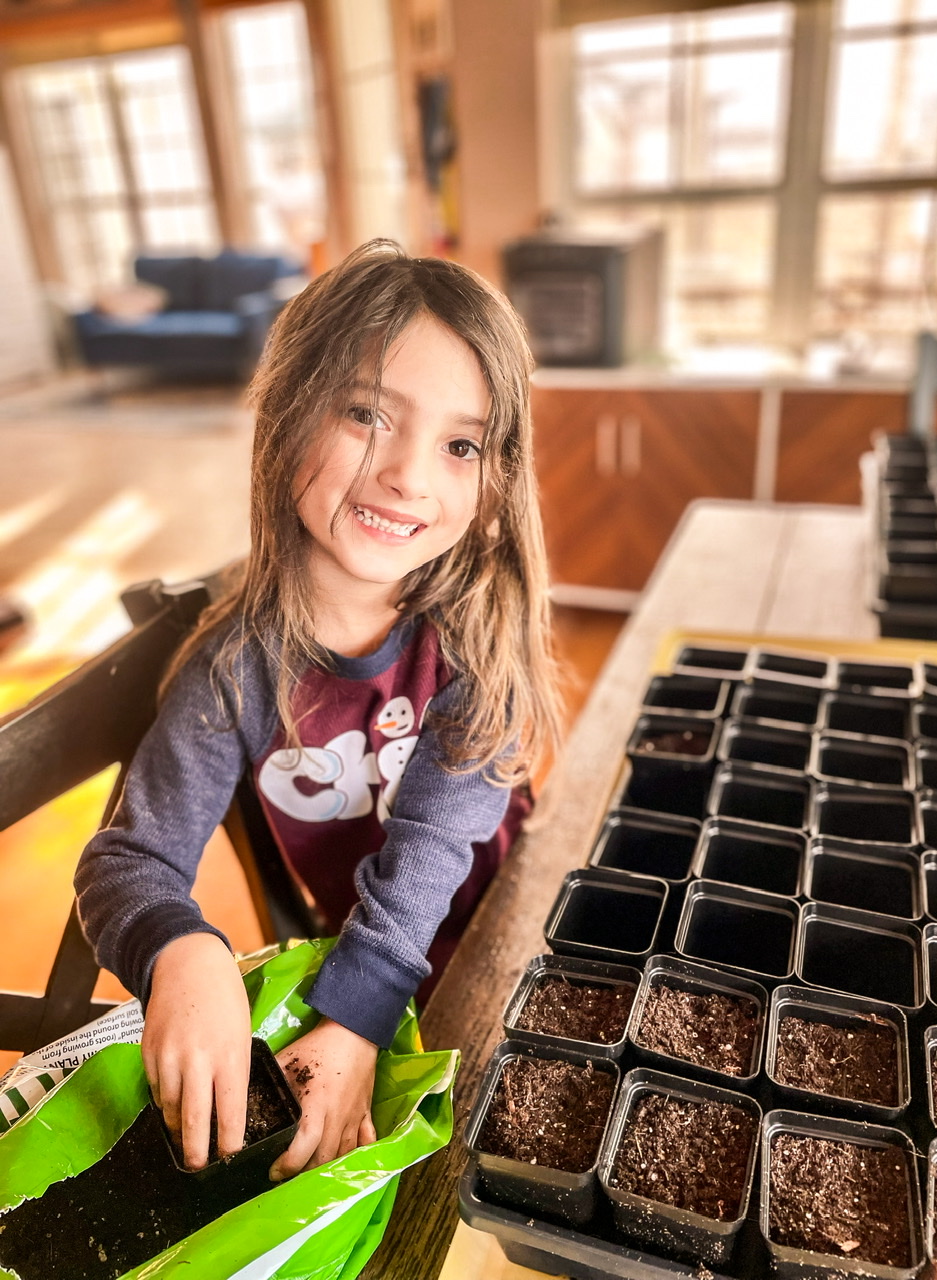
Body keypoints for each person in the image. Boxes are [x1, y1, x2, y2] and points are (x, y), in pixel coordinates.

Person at [74, 239, 563, 1183]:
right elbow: (127, 859)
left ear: (493, 477)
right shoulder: (231, 672)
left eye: (460, 444)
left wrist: (356, 1016)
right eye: (370, 415)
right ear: (288, 412)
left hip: (506, 942)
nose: (410, 478)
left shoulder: (475, 632)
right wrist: (182, 951)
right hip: (365, 978)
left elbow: (431, 848)